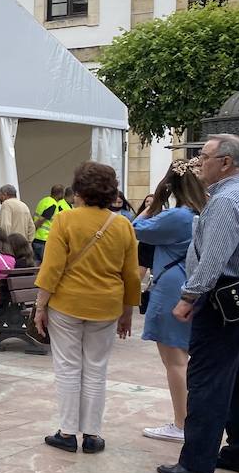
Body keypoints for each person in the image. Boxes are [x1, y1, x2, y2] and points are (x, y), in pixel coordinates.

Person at [159, 135, 239, 473]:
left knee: (207, 377)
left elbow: (214, 257)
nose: (199, 164)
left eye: (204, 157)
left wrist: (189, 296)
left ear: (225, 162)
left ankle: (197, 461)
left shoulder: (228, 199)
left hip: (227, 295)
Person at [34, 162, 139, 454]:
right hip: (106, 305)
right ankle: (92, 434)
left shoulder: (65, 221)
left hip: (67, 303)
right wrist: (128, 311)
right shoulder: (123, 225)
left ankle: (67, 433)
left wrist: (40, 306)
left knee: (68, 368)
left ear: (79, 190)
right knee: (96, 369)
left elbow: (51, 268)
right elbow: (131, 274)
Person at [133, 159, 206, 443]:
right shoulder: (203, 212)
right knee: (185, 357)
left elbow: (135, 227)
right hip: (191, 283)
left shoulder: (176, 217)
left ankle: (182, 422)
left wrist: (157, 198)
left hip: (171, 285)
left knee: (174, 360)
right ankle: (189, 419)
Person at [32, 184, 70, 263]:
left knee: (37, 263)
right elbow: (41, 220)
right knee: (47, 263)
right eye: (63, 193)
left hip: (37, 238)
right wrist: (33, 229)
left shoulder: (44, 200)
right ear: (59, 194)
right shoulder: (52, 205)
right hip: (44, 239)